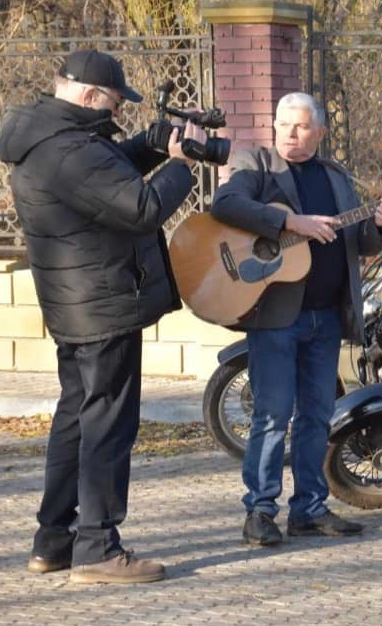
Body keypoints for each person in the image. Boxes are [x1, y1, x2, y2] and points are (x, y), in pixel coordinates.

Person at [0, 49, 206, 583]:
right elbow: (139, 208)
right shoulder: (69, 149)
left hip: (78, 306)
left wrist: (151, 145)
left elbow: (103, 182)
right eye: (114, 104)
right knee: (108, 427)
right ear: (89, 95)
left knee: (76, 420)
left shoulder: (48, 138)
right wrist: (183, 168)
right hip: (103, 306)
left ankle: (53, 541)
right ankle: (97, 548)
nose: (116, 115)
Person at [210, 92, 382, 547]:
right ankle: (259, 511)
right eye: (282, 125)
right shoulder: (254, 163)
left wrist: (381, 223)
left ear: (319, 131)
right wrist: (291, 224)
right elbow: (225, 206)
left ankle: (309, 508)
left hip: (326, 317)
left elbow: (361, 243)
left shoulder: (335, 176)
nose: (289, 134)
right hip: (275, 315)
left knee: (317, 416)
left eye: (299, 126)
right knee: (272, 416)